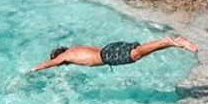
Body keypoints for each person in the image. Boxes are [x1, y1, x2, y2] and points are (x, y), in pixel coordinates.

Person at [28, 36, 198, 73]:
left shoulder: (66, 55)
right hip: (107, 49)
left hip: (106, 56)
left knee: (136, 54)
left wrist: (32, 69)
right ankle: (173, 44)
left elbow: (47, 64)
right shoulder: (75, 48)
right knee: (138, 53)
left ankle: (169, 41)